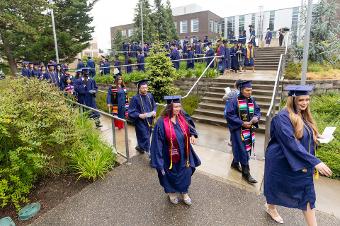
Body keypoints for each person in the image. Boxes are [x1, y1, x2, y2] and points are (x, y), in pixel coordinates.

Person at [264, 85, 332, 225]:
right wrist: (315, 161)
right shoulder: (281, 118)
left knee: (307, 194)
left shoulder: (303, 115)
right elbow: (291, 143)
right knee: (275, 185)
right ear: (293, 100)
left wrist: (316, 136)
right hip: (281, 160)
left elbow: (302, 136)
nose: (305, 103)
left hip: (300, 161)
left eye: (307, 99)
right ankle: (271, 208)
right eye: (301, 99)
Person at [150, 95, 201, 205]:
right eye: (175, 107)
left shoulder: (182, 117)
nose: (178, 109)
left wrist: (192, 134)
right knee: (170, 175)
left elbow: (190, 125)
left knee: (185, 173)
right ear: (169, 107)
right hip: (169, 155)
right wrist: (158, 161)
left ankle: (184, 192)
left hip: (184, 153)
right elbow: (157, 143)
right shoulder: (161, 123)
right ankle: (172, 192)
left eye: (179, 106)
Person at [225, 80, 261, 184]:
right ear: (241, 90)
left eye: (251, 90)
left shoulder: (252, 100)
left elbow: (257, 110)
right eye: (247, 90)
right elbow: (229, 115)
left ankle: (235, 163)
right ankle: (246, 173)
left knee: (243, 148)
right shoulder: (233, 100)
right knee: (243, 150)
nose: (249, 92)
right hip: (238, 130)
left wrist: (256, 117)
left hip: (249, 129)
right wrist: (241, 123)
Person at [128, 79, 157, 154]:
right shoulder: (135, 98)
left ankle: (140, 147)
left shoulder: (149, 95)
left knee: (147, 135)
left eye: (146, 87)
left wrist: (154, 111)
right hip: (140, 121)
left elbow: (154, 105)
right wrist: (139, 115)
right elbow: (130, 111)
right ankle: (149, 153)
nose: (145, 89)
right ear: (139, 88)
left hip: (149, 120)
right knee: (145, 136)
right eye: (143, 88)